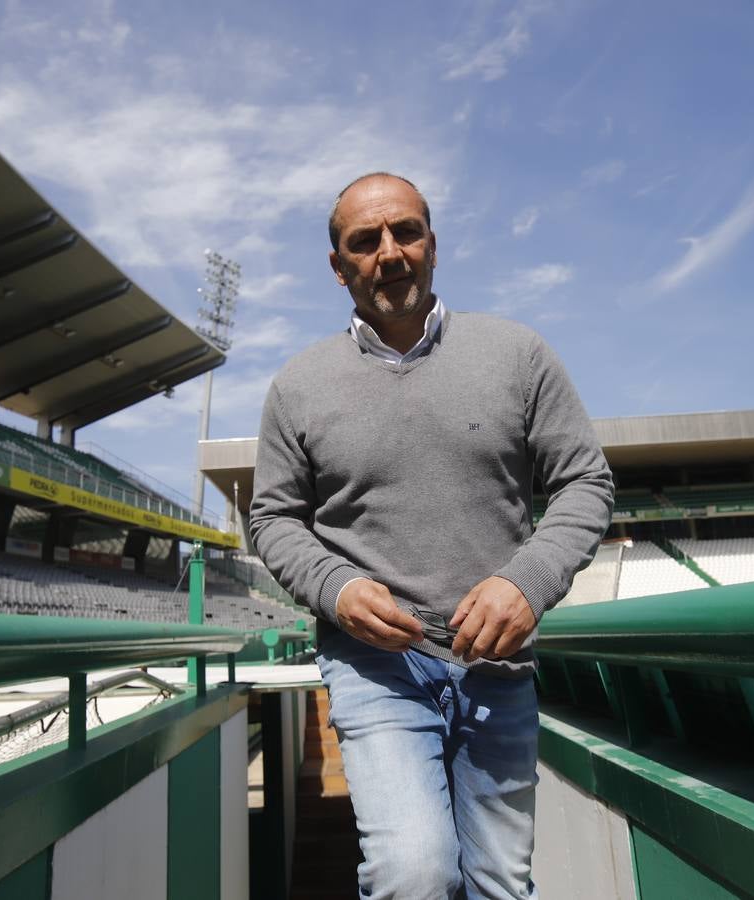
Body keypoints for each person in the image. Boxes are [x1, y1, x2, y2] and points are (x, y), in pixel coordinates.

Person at [248, 172, 614, 899]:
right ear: (338, 265)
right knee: (411, 873)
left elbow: (586, 483)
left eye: (406, 232)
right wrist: (337, 587)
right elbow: (271, 519)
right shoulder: (297, 386)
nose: (390, 252)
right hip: (377, 668)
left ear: (433, 245)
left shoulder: (519, 354)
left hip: (499, 668)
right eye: (365, 240)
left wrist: (526, 582)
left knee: (500, 884)